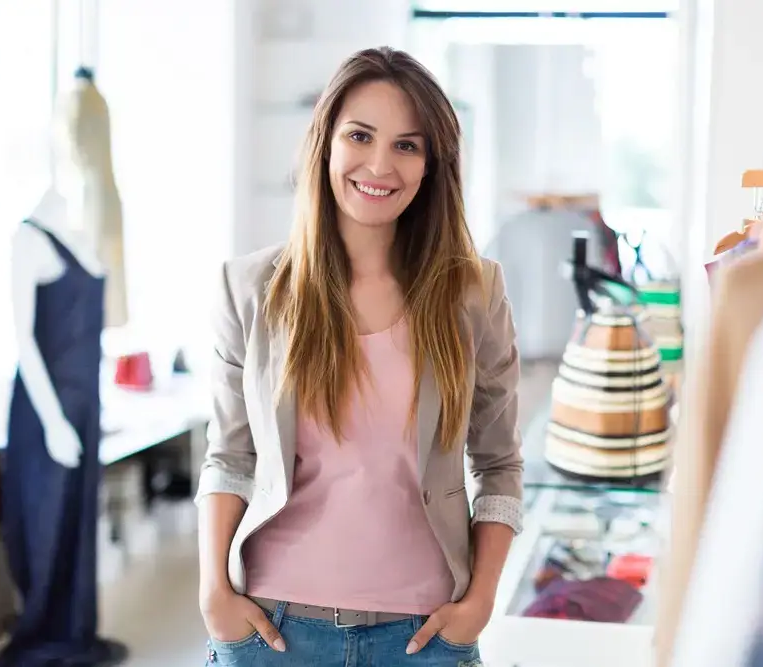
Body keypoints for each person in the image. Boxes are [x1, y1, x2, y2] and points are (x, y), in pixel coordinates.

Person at [195, 46, 524, 666]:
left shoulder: (473, 292)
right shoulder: (249, 288)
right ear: (325, 143)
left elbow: (499, 463)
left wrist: (480, 601)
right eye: (360, 135)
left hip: (425, 638)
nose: (380, 164)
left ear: (432, 165)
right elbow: (230, 458)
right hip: (271, 631)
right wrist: (214, 591)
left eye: (407, 145)